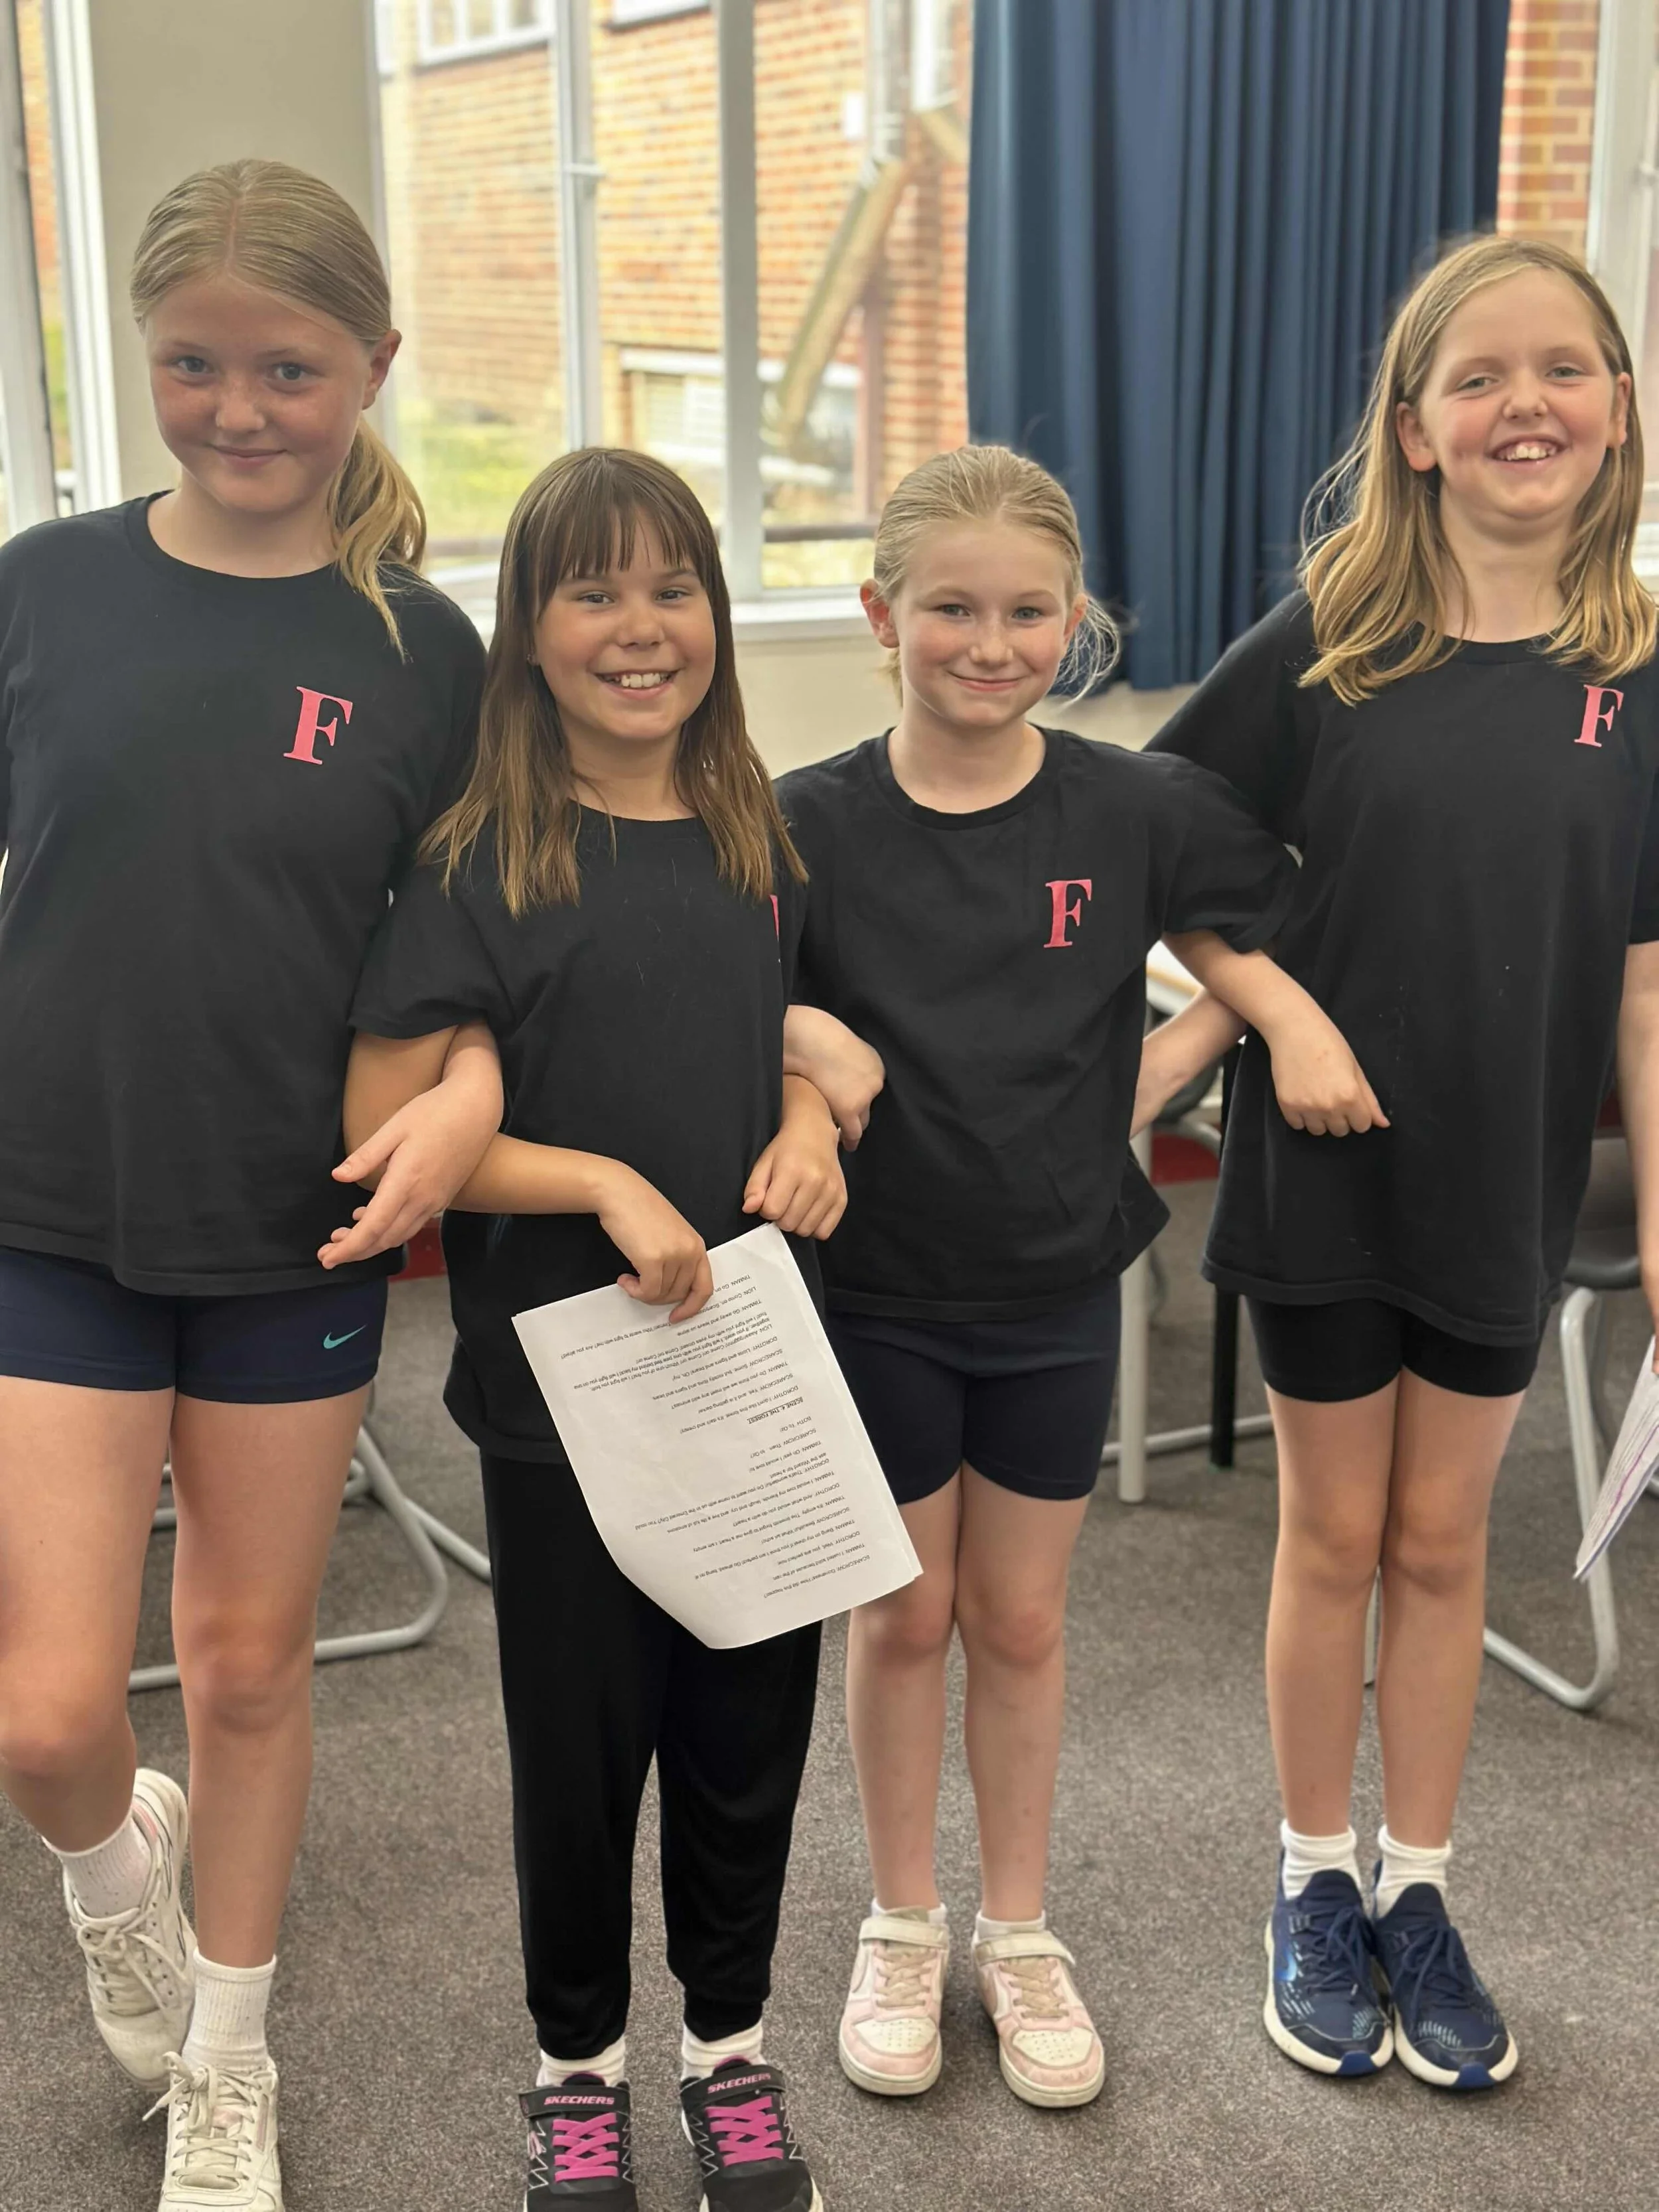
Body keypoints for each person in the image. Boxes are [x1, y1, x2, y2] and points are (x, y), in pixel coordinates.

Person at [0, 160, 502, 2211]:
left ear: (371, 368)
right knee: (49, 1716)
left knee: (244, 1663)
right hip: (48, 1201)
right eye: (192, 363)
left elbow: (486, 947)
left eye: (287, 367)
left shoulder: (419, 647)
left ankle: (226, 2051)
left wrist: (468, 1101)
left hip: (295, 1221)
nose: (237, 407)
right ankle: (118, 1871)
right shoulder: (42, 584)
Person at [776, 443, 1378, 2112]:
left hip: (1051, 1287)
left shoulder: (1128, 804)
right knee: (900, 1613)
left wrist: (1175, 1054)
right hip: (877, 1285)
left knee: (1022, 1618)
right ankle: (901, 1919)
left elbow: (1260, 936)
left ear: (1075, 620)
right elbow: (701, 997)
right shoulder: (803, 822)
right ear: (878, 610)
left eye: (1027, 611)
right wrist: (799, 1055)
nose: (990, 642)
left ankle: (1016, 1930)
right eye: (951, 609)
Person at [1143, 234, 1659, 2091]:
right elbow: (1177, 872)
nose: (1528, 401)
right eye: (1482, 375)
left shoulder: (1635, 669)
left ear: (1615, 408)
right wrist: (1278, 1018)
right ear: (1417, 426)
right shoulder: (1324, 644)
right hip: (1324, 1170)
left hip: (1499, 1189)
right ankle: (1307, 1872)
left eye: (1567, 368)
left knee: (1447, 1546)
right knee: (1336, 1534)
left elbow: (1645, 994)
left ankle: (1415, 1885)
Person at [344, 447, 852, 2212]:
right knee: (582, 1754)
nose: (642, 628)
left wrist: (809, 1119)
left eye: (673, 587)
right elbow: (386, 1110)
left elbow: (807, 1025)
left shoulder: (756, 836)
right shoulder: (480, 857)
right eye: (593, 591)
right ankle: (578, 2064)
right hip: (564, 1403)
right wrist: (604, 1184)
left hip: (747, 1384)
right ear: (530, 631)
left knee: (745, 1746)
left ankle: (728, 2045)